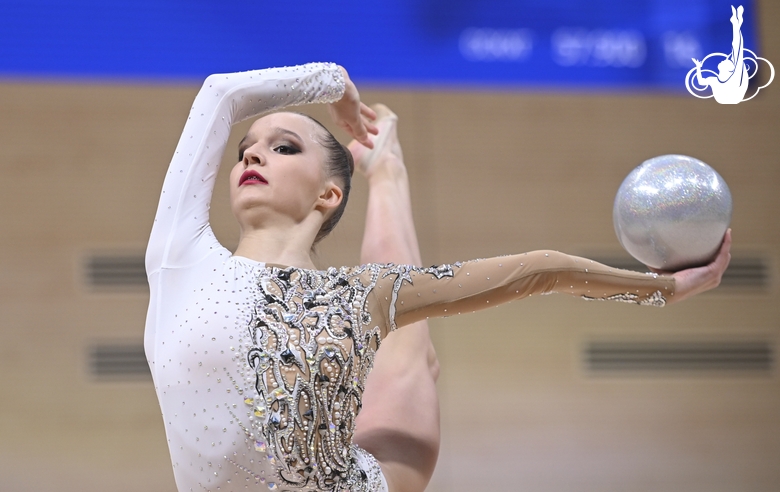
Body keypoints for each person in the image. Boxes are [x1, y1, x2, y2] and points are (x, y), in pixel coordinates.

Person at [145, 62, 731, 492]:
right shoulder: (179, 259)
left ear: (329, 193)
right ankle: (387, 167)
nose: (251, 156)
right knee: (405, 356)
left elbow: (539, 270)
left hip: (359, 479)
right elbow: (220, 94)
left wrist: (662, 289)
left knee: (406, 355)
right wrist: (338, 84)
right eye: (246, 149)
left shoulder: (360, 295)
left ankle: (386, 171)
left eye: (283, 147)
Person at [692, 5, 748, 104]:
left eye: (727, 61)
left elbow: (737, 47)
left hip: (731, 102)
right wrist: (698, 67)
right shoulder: (715, 80)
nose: (725, 59)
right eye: (728, 60)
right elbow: (701, 82)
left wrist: (736, 25)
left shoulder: (734, 78)